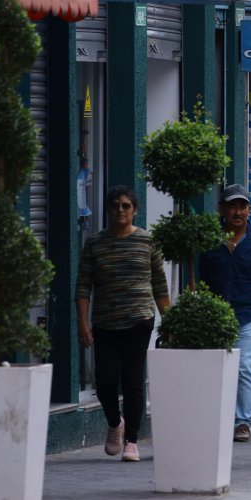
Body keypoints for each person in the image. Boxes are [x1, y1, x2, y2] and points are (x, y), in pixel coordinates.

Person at [75, 186, 171, 462]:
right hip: (105, 322)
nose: (120, 210)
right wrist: (83, 322)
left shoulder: (147, 241)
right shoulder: (95, 244)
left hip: (140, 320)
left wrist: (172, 321)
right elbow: (83, 286)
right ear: (108, 209)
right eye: (115, 205)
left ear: (135, 210)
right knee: (104, 382)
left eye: (126, 205)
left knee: (133, 381)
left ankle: (132, 441)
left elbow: (159, 286)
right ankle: (116, 423)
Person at [200, 184, 251, 442]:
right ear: (222, 209)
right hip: (216, 316)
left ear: (249, 210)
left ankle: (243, 422)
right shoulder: (210, 241)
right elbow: (202, 277)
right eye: (232, 206)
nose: (237, 212)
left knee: (245, 367)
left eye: (242, 206)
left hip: (250, 315)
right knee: (218, 369)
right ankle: (220, 418)